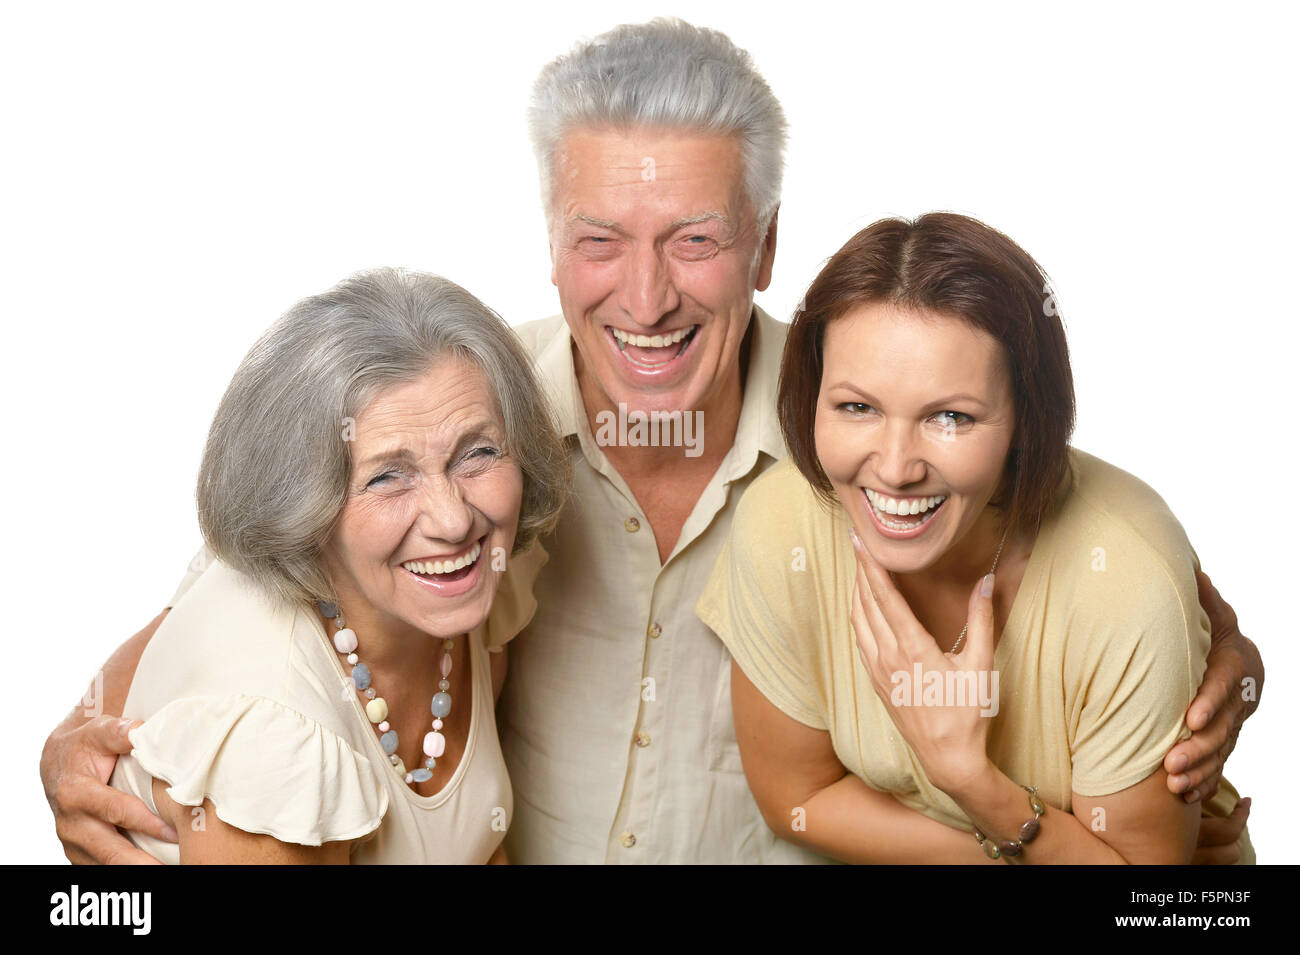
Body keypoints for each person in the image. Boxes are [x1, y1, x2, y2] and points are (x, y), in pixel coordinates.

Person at [43, 20, 1260, 865]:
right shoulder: (464, 425)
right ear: (548, 239)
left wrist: (1228, 658)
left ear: (766, 246)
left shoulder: (867, 437)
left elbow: (1093, 563)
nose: (645, 296)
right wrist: (73, 738)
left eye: (692, 239)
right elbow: (252, 590)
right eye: (598, 239)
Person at [697, 213, 1255, 863]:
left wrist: (970, 777)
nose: (897, 467)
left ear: (1025, 419)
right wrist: (1000, 845)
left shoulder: (1123, 579)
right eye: (857, 406)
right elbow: (799, 797)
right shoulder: (781, 526)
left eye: (951, 416)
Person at [102, 268, 567, 863]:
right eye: (386, 476)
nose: (453, 521)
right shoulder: (273, 737)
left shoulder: (466, 595)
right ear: (306, 503)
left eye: (477, 453)